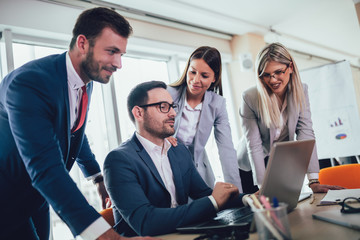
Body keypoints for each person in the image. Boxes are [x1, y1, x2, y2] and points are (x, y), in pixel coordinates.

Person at [0, 7, 156, 240]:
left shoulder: (86, 81)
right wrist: (105, 235)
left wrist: (96, 177)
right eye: (112, 51)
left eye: (121, 54)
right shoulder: (29, 83)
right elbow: (45, 169)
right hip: (7, 198)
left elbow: (73, 132)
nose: (118, 63)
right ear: (83, 43)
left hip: (38, 197)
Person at [103, 81, 246, 237]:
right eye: (163, 107)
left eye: (172, 106)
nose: (173, 114)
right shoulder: (119, 160)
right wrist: (213, 202)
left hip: (184, 234)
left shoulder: (178, 150)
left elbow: (203, 193)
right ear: (139, 113)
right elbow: (146, 223)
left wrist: (248, 199)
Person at [237, 42, 344, 194]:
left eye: (278, 72)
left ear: (291, 68)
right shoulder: (250, 97)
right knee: (260, 209)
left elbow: (305, 132)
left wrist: (313, 180)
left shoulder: (301, 90)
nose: (273, 80)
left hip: (279, 158)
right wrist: (262, 186)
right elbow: (253, 144)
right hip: (250, 164)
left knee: (286, 202)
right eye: (266, 75)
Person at [167, 46, 242, 192]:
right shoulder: (168, 93)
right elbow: (147, 123)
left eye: (204, 75)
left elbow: (226, 149)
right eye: (192, 72)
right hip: (167, 163)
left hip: (198, 169)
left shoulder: (217, 104)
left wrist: (237, 192)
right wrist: (162, 137)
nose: (195, 80)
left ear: (214, 78)